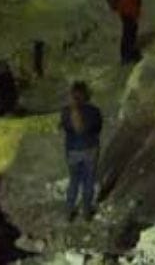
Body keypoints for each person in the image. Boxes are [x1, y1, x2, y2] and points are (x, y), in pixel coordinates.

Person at [60, 82, 102, 222]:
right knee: (88, 181)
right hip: (90, 149)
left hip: (73, 150)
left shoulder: (66, 111)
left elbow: (65, 127)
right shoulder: (94, 111)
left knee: (74, 181)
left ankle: (69, 211)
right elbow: (98, 129)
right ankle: (86, 212)